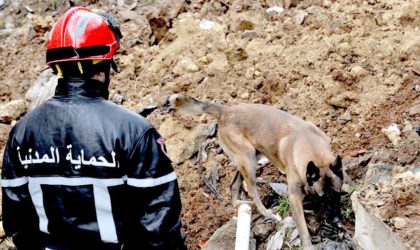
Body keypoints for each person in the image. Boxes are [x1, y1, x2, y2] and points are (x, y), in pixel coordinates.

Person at [1, 7, 186, 250]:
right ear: (104, 65)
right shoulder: (134, 132)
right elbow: (161, 228)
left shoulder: (22, 132)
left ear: (57, 67)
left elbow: (17, 222)